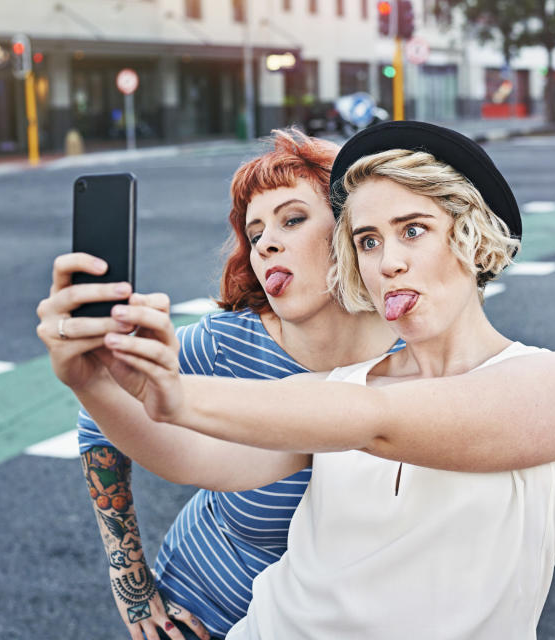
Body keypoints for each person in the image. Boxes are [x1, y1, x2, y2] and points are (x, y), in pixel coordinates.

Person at [53, 121, 555, 639]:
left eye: (413, 231)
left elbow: (379, 421)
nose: (389, 264)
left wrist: (172, 392)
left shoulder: (553, 383)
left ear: (474, 239)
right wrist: (95, 385)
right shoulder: (341, 382)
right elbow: (193, 459)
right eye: (368, 241)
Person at [37, 129, 400, 640]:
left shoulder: (414, 360)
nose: (267, 242)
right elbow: (100, 418)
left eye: (292, 219)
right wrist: (131, 581)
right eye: (255, 234)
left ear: (351, 231)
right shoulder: (227, 342)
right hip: (200, 610)